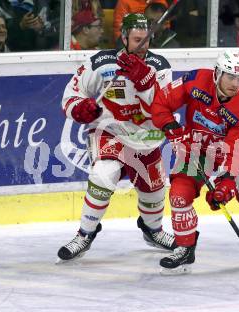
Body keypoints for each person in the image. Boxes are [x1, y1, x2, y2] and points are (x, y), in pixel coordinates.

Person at [151, 50, 239, 274]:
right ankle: (185, 248)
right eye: (231, 76)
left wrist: (227, 183)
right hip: (195, 149)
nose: (236, 83)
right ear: (217, 73)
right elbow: (161, 102)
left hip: (231, 155)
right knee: (179, 194)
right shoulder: (194, 79)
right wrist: (170, 126)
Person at [58, 13, 176, 262]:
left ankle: (153, 231)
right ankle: (85, 234)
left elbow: (164, 109)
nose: (143, 46)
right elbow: (71, 95)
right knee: (104, 174)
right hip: (109, 130)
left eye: (146, 40)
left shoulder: (160, 66)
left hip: (147, 135)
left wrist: (145, 83)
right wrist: (80, 108)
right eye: (136, 40)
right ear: (123, 38)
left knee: (154, 189)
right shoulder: (100, 62)